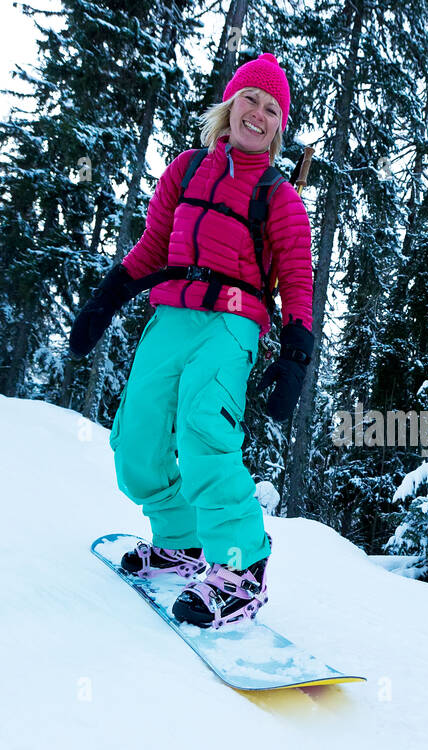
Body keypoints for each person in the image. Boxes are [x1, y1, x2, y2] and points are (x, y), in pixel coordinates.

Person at [69, 52, 314, 629]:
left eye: (272, 109)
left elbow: (298, 285)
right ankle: (181, 542)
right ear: (230, 106)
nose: (257, 113)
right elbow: (153, 248)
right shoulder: (184, 171)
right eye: (250, 99)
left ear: (279, 127)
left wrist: (295, 358)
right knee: (136, 443)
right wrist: (104, 301)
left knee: (206, 424)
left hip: (232, 321)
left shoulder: (281, 199)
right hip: (171, 317)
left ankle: (241, 565)